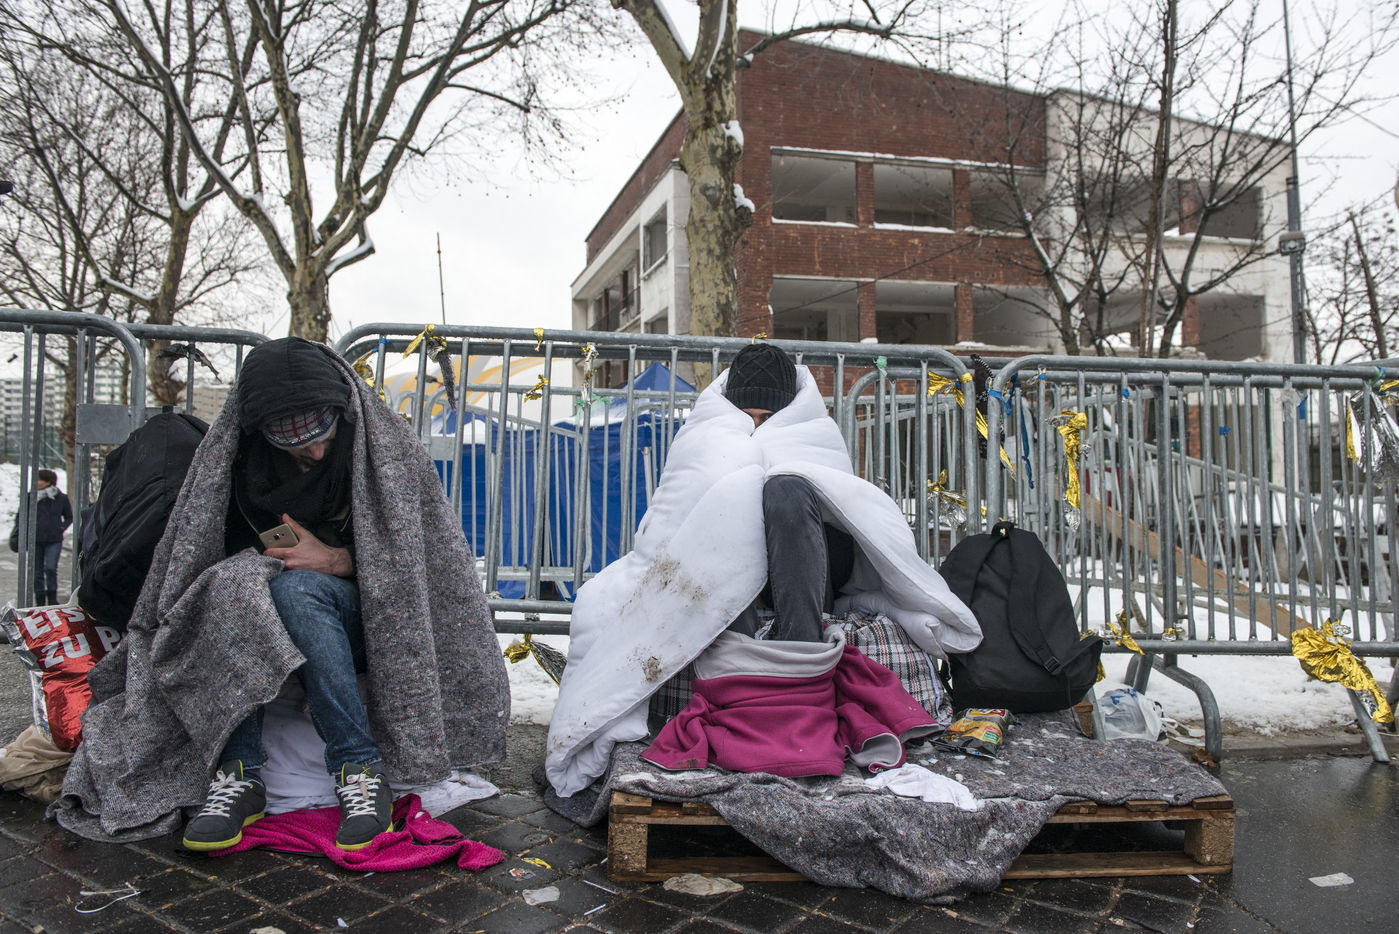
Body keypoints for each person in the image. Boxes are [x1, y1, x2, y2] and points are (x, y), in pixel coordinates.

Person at [58, 337, 510, 848]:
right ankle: (239, 774)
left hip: (363, 620)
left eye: (323, 436)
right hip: (256, 617)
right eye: (294, 444)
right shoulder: (234, 466)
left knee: (298, 591)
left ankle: (358, 768)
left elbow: (423, 569)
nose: (314, 452)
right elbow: (195, 563)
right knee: (230, 585)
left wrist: (336, 560)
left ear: (343, 410)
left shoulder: (387, 452)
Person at [545, 342, 981, 799]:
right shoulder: (704, 435)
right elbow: (672, 523)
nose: (755, 427)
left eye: (767, 417)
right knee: (734, 495)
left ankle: (800, 657)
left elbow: (851, 513)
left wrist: (787, 494)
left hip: (807, 575)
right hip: (724, 584)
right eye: (746, 415)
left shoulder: (814, 432)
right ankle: (743, 659)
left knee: (788, 489)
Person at [9, 468, 73, 605]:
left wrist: (61, 528)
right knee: (36, 571)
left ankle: (52, 598)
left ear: (48, 482)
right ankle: (40, 599)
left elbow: (69, 517)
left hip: (54, 539)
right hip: (35, 540)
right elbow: (20, 516)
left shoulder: (61, 498)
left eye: (39, 480)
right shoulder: (30, 497)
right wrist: (24, 530)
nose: (36, 482)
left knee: (50, 568)